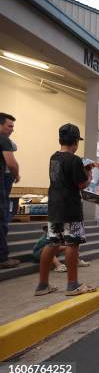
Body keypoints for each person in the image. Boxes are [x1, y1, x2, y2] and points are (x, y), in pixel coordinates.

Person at [35, 124, 96, 296]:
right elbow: (82, 184)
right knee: (72, 243)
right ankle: (72, 284)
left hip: (54, 206)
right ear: (76, 142)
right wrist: (89, 173)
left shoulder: (53, 157)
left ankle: (42, 285)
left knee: (52, 242)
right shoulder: (74, 159)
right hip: (70, 207)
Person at [0, 113, 20, 269]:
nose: (12, 129)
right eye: (10, 126)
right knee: (2, 219)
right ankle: (2, 258)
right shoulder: (3, 139)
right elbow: (11, 163)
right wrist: (16, 175)